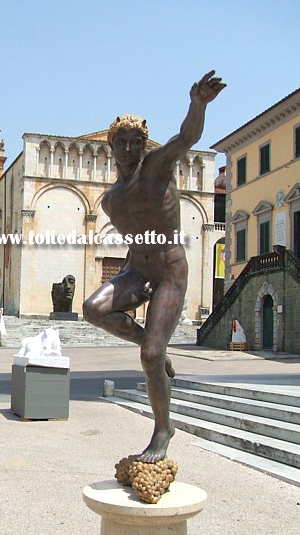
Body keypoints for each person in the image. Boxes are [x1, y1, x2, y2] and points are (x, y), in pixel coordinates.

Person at [83, 71, 226, 463]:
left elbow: (187, 138)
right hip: (138, 270)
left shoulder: (157, 168)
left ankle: (163, 428)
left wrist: (197, 104)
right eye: (122, 142)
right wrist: (133, 276)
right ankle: (156, 346)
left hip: (169, 271)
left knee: (148, 357)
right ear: (111, 147)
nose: (129, 148)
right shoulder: (111, 201)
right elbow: (133, 242)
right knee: (93, 309)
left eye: (136, 142)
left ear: (144, 146)